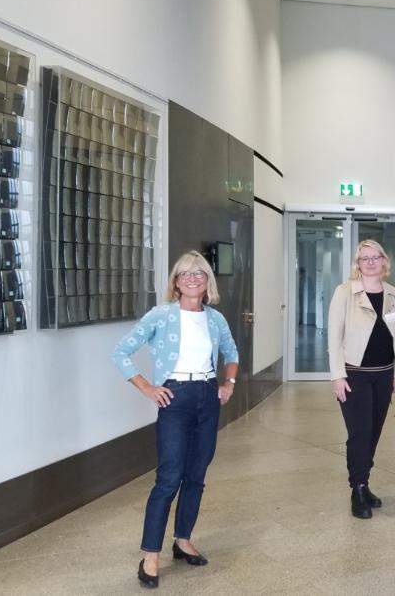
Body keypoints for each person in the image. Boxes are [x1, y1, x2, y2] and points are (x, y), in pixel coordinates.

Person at [111, 250, 239, 589]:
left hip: (208, 397)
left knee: (196, 475)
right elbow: (120, 352)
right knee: (169, 477)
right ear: (176, 282)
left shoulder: (215, 319)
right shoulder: (161, 315)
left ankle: (183, 540)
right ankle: (150, 554)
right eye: (186, 274)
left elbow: (232, 352)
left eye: (200, 274)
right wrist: (148, 388)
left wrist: (229, 383)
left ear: (208, 281)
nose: (193, 278)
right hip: (175, 397)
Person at [328, 239, 395, 519]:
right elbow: (334, 336)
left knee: (374, 432)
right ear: (357, 264)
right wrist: (337, 375)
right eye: (365, 258)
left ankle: (364, 482)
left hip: (383, 374)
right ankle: (357, 489)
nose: (371, 262)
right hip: (354, 375)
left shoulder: (393, 293)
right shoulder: (345, 292)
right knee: (359, 433)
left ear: (384, 261)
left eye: (376, 257)